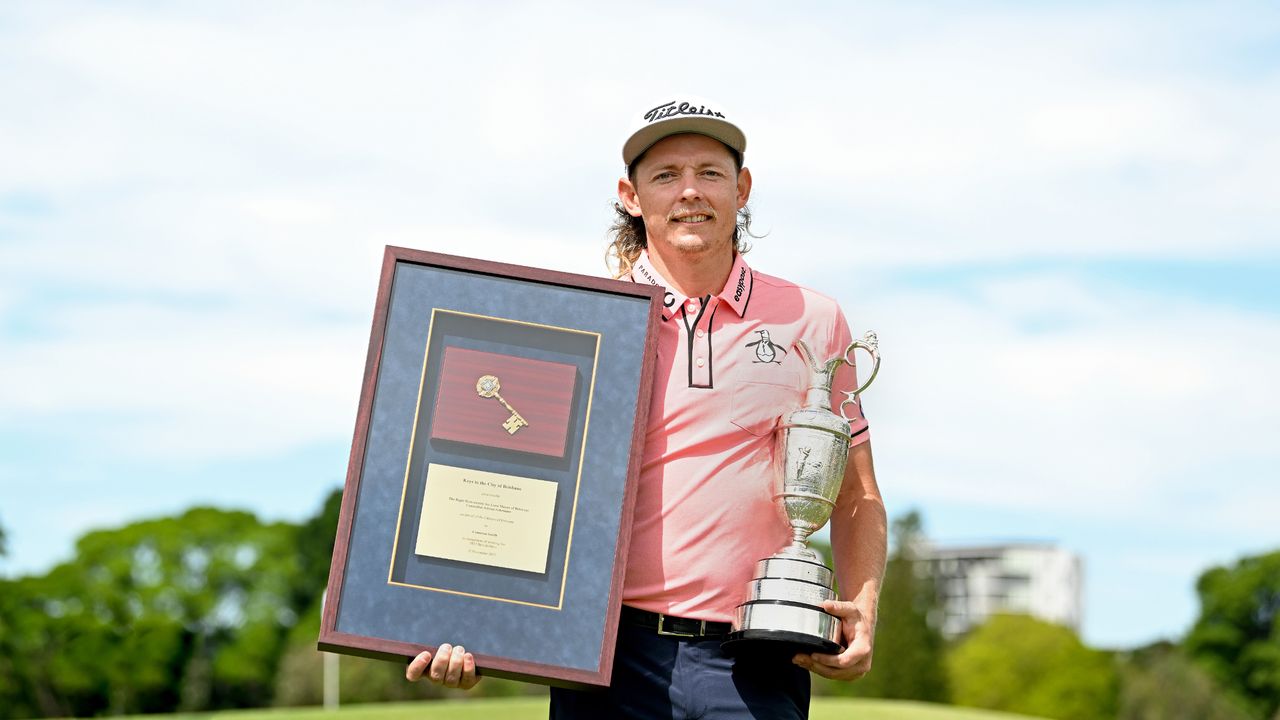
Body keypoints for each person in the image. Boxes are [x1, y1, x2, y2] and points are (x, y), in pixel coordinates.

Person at [407, 97, 887, 719]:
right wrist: (476, 625)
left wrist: (865, 607)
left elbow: (857, 495)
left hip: (757, 659)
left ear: (741, 189)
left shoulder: (815, 320)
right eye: (666, 176)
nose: (690, 192)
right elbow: (503, 472)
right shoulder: (578, 326)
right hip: (607, 660)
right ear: (631, 196)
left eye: (709, 173)